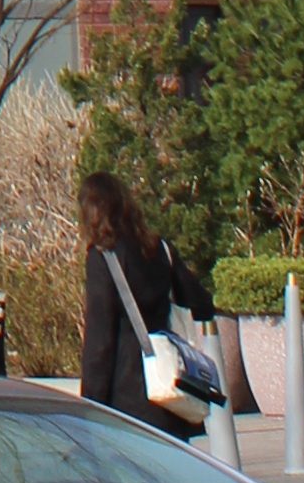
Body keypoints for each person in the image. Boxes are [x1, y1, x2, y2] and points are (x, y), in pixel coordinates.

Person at [75, 166, 210, 434]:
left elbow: (100, 341)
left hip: (128, 398)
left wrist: (90, 406)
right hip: (170, 392)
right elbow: (201, 304)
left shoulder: (103, 257)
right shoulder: (159, 248)